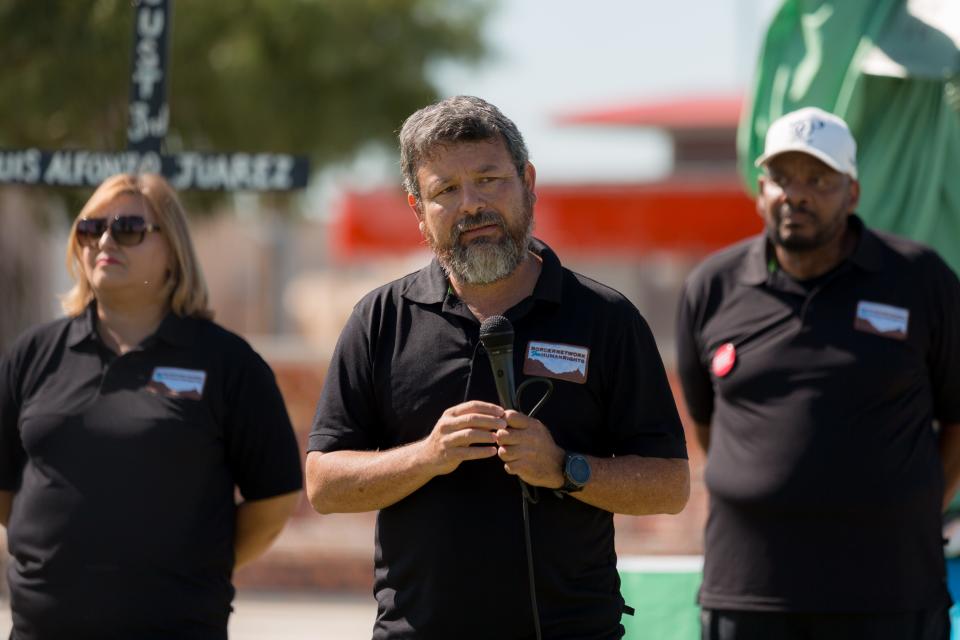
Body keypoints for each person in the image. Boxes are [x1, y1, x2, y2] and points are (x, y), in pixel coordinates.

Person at [305, 95, 690, 639]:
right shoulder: (380, 319)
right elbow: (324, 484)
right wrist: (428, 456)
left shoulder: (605, 318)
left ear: (527, 180)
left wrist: (564, 468)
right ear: (418, 210)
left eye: (489, 180)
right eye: (445, 191)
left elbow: (669, 486)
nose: (471, 206)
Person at [676, 106, 960, 640]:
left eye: (818, 179)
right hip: (747, 594)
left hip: (891, 595)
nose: (796, 194)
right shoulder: (711, 286)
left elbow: (959, 421)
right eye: (781, 178)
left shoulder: (920, 280)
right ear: (761, 191)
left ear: (851, 192)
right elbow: (709, 425)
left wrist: (912, 504)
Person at [0, 173, 303, 639]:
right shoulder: (32, 354)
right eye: (89, 227)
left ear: (173, 251)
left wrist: (194, 562)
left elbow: (273, 501)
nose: (104, 240)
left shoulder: (227, 363)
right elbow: (6, 493)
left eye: (127, 228)